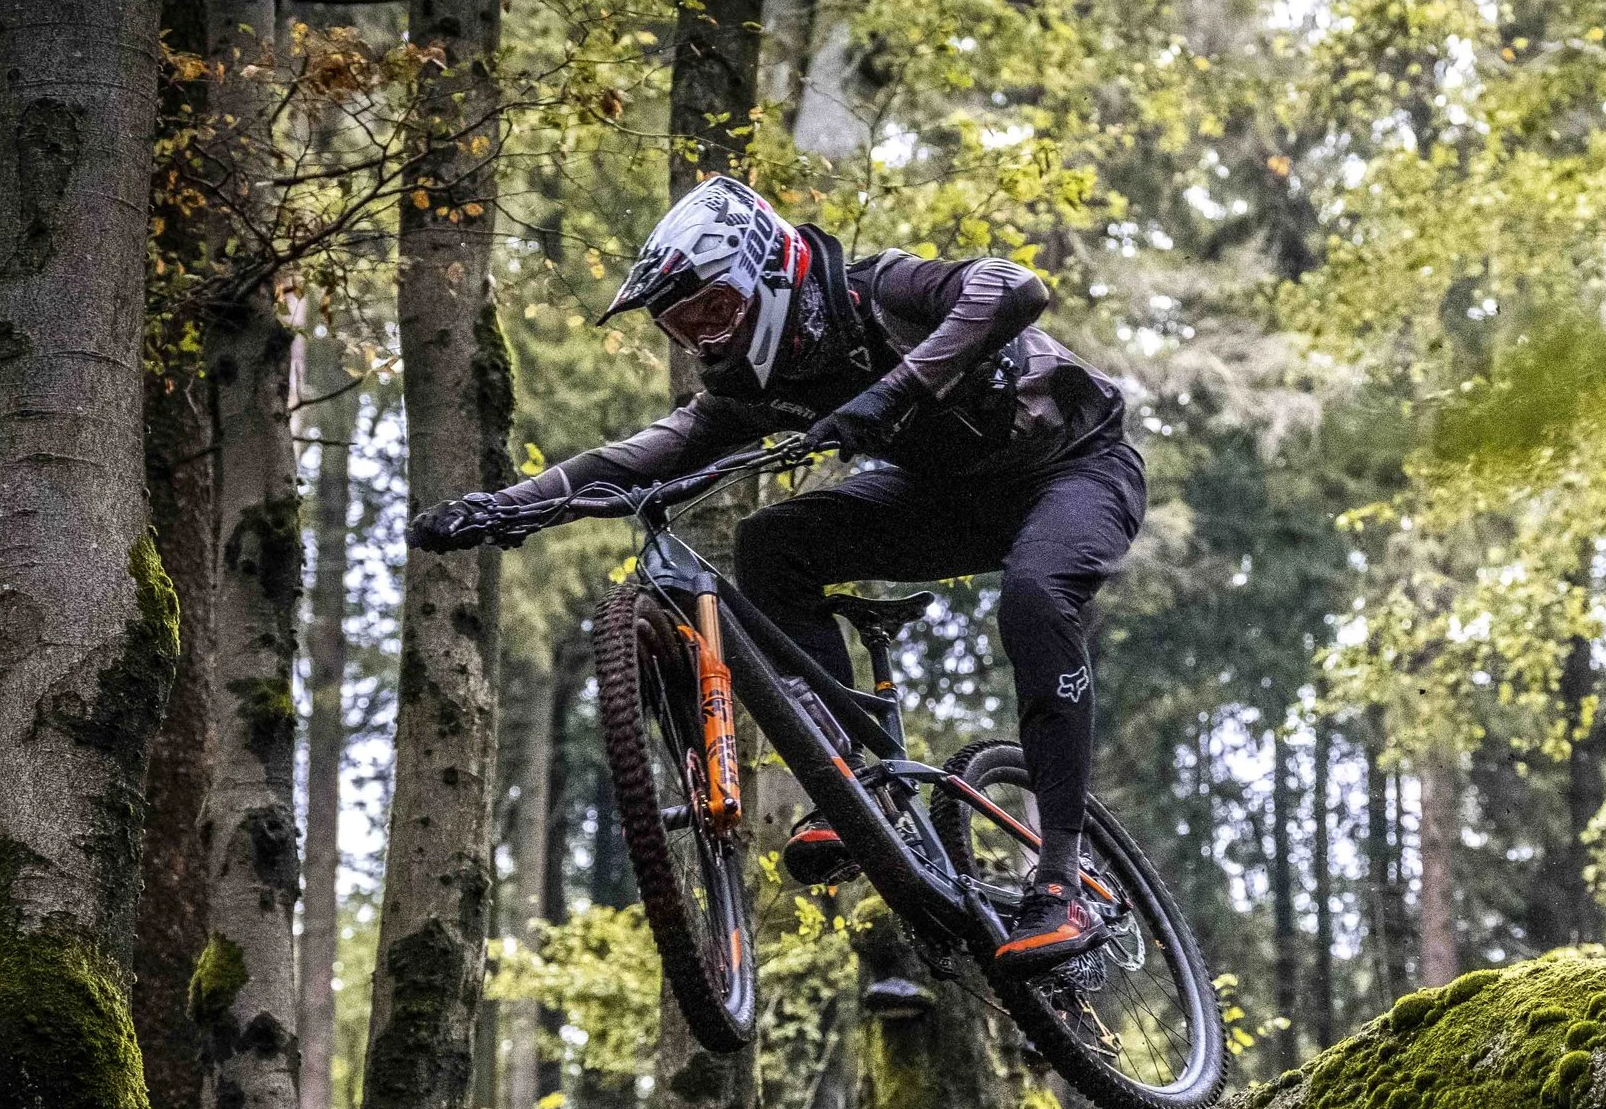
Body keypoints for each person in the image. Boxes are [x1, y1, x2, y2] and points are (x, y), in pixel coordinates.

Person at [408, 178, 1136, 973]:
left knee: (1033, 596)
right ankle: (854, 791)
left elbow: (1013, 286)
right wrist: (504, 507)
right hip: (947, 500)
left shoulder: (875, 292)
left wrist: (893, 392)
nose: (708, 341)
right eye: (685, 329)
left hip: (1077, 465)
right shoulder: (752, 391)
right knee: (774, 543)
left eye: (715, 312)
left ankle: (1061, 881)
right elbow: (635, 457)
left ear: (770, 270)